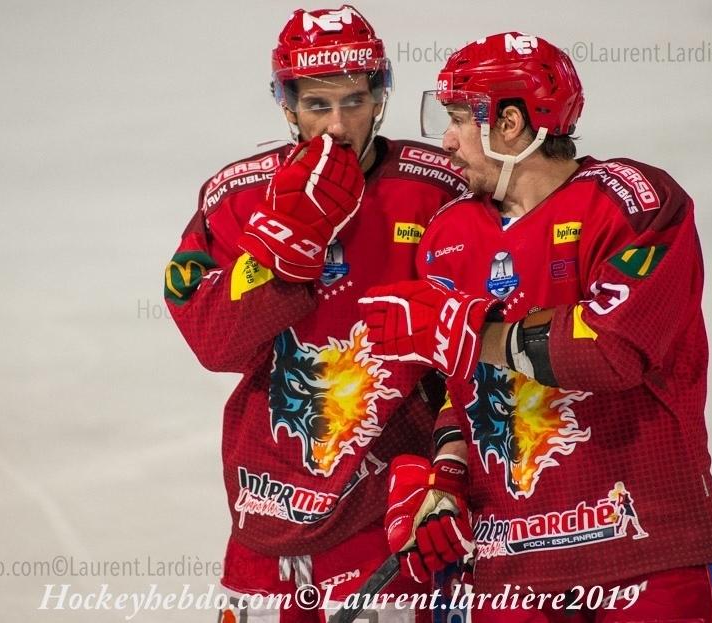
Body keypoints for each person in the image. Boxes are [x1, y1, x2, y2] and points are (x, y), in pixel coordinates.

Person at [359, 32, 712, 622]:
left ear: (510, 123)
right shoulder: (448, 236)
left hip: (643, 551)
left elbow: (612, 348)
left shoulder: (633, 203)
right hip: (512, 567)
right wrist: (446, 477)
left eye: (458, 119)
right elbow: (461, 388)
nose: (446, 140)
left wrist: (476, 334)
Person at [163, 6, 468, 622]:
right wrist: (279, 253)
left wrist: (449, 467)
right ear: (288, 106)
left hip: (387, 511)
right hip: (266, 512)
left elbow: (474, 346)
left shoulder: (438, 189)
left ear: (379, 96)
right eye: (317, 105)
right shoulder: (239, 197)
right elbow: (213, 342)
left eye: (354, 101)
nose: (337, 125)